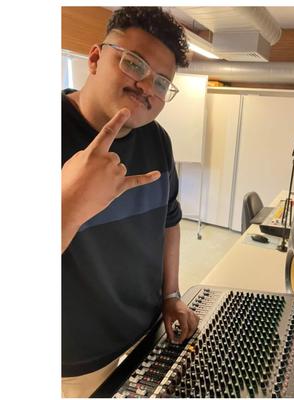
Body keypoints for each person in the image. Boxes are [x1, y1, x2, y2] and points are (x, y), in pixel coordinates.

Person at [62, 7, 199, 397]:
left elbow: (170, 221)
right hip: (79, 357)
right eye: (134, 63)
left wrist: (171, 295)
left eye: (162, 82)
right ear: (94, 59)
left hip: (149, 330)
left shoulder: (158, 140)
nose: (147, 86)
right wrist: (68, 206)